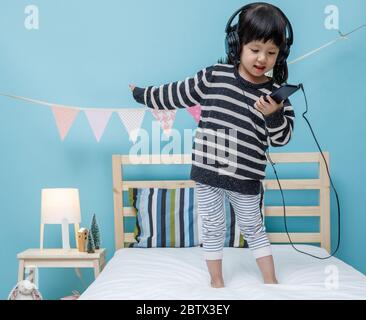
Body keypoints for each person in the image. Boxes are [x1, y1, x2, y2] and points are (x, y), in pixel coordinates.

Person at [129, 2, 295, 287]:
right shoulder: (214, 75)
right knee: (213, 226)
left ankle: (272, 282)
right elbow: (177, 93)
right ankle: (216, 283)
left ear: (280, 55)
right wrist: (145, 95)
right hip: (209, 171)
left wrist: (274, 114)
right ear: (237, 44)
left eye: (271, 53)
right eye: (255, 50)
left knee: (254, 227)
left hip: (246, 176)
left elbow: (282, 138)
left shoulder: (274, 95)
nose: (262, 59)